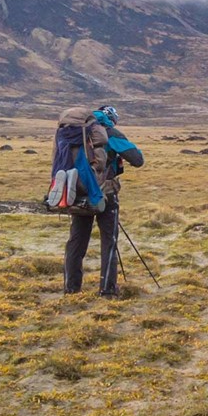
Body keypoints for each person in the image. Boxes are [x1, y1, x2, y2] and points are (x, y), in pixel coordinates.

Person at [63, 105, 144, 297]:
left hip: (78, 191)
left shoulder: (75, 132)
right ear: (111, 119)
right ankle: (107, 291)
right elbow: (138, 159)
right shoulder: (110, 133)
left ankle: (71, 289)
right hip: (105, 193)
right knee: (109, 241)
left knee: (76, 241)